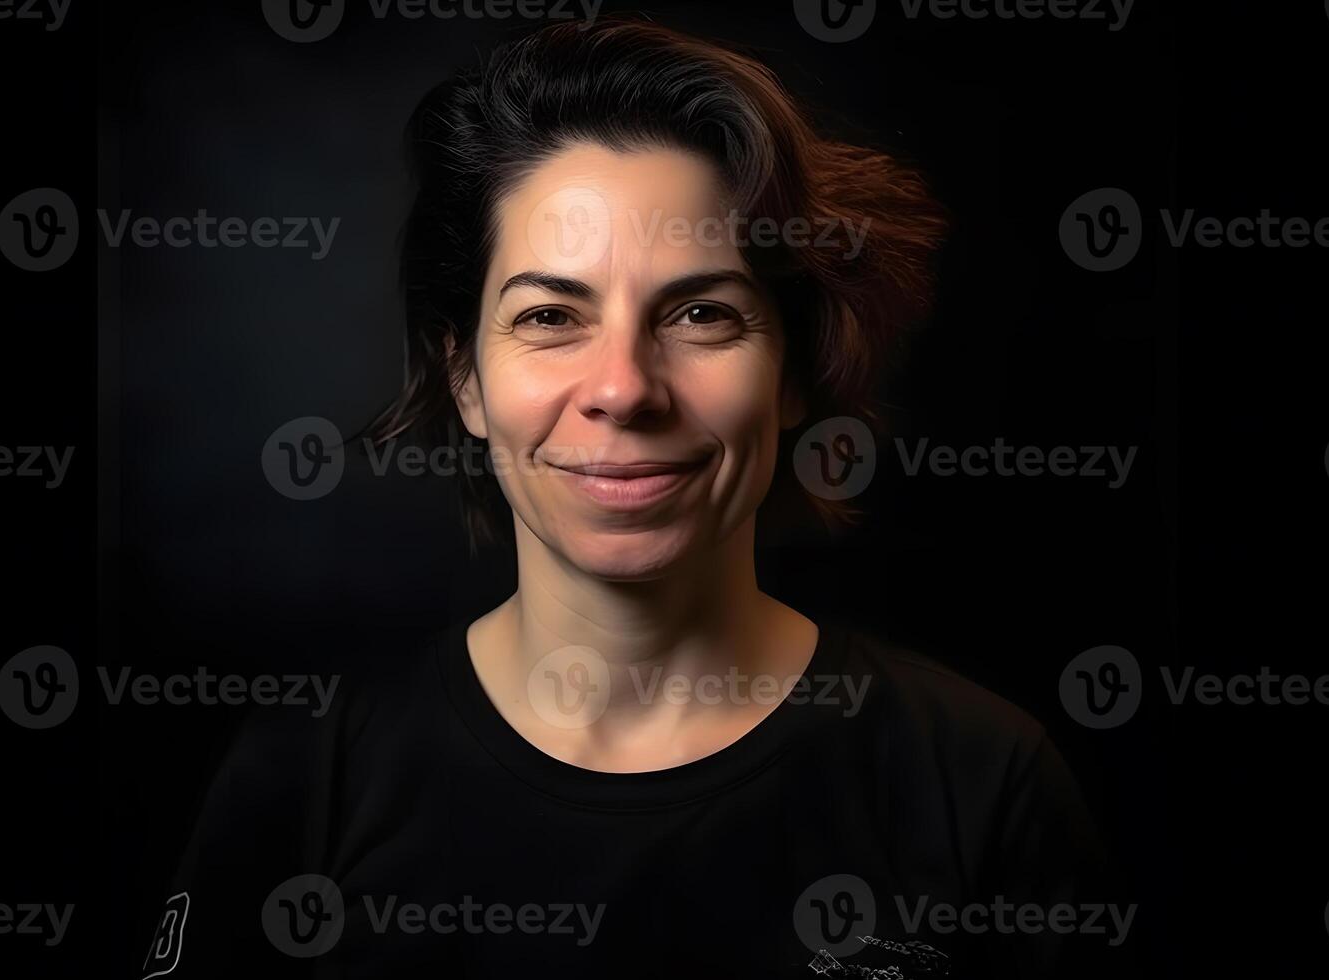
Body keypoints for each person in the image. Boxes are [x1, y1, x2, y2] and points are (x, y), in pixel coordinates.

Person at [136, 18, 1131, 979]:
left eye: (701, 312)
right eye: (551, 314)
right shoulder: (305, 777)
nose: (623, 386)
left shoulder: (982, 779)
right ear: (466, 379)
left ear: (794, 373)